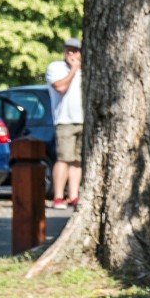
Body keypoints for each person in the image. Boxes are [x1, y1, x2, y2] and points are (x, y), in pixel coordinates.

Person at [45, 38, 84, 209]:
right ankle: (59, 196)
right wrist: (74, 70)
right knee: (63, 159)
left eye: (75, 51)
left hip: (83, 119)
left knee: (77, 160)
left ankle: (73, 196)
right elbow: (60, 88)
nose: (71, 54)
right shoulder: (56, 68)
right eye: (68, 50)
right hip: (65, 120)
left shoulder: (89, 69)